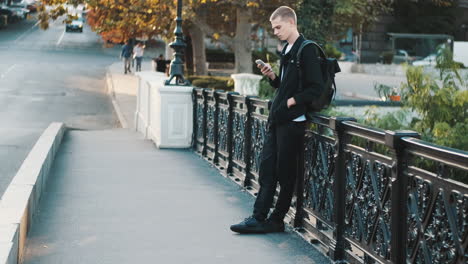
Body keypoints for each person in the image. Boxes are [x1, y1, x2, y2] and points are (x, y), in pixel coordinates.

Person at [230, 6, 324, 234]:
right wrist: (273, 76)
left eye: (278, 27)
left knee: (285, 173)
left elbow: (316, 88)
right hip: (278, 120)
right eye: (273, 28)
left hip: (293, 122)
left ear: (291, 22)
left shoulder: (307, 49)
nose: (275, 31)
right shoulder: (288, 49)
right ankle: (258, 217)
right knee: (267, 169)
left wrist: (293, 101)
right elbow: (284, 86)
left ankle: (276, 219)